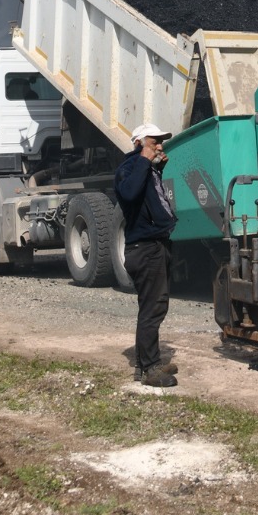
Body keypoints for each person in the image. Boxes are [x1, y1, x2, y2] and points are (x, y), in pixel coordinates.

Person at [115, 123, 180, 386]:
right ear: (140, 143)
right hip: (144, 249)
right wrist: (145, 161)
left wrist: (155, 168)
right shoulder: (128, 168)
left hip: (153, 246)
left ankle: (144, 365)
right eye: (155, 142)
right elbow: (129, 194)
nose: (161, 146)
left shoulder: (147, 169)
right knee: (153, 308)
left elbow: (148, 201)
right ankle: (151, 368)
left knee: (150, 307)